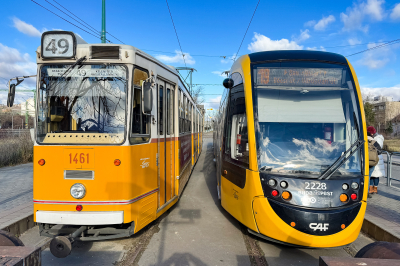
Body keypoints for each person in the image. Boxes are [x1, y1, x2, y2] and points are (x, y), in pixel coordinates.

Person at [367, 126, 385, 197]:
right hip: (373, 159)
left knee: (373, 175)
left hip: (371, 160)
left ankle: (372, 188)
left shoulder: (378, 138)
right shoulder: (374, 140)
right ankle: (372, 188)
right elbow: (379, 150)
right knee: (372, 175)